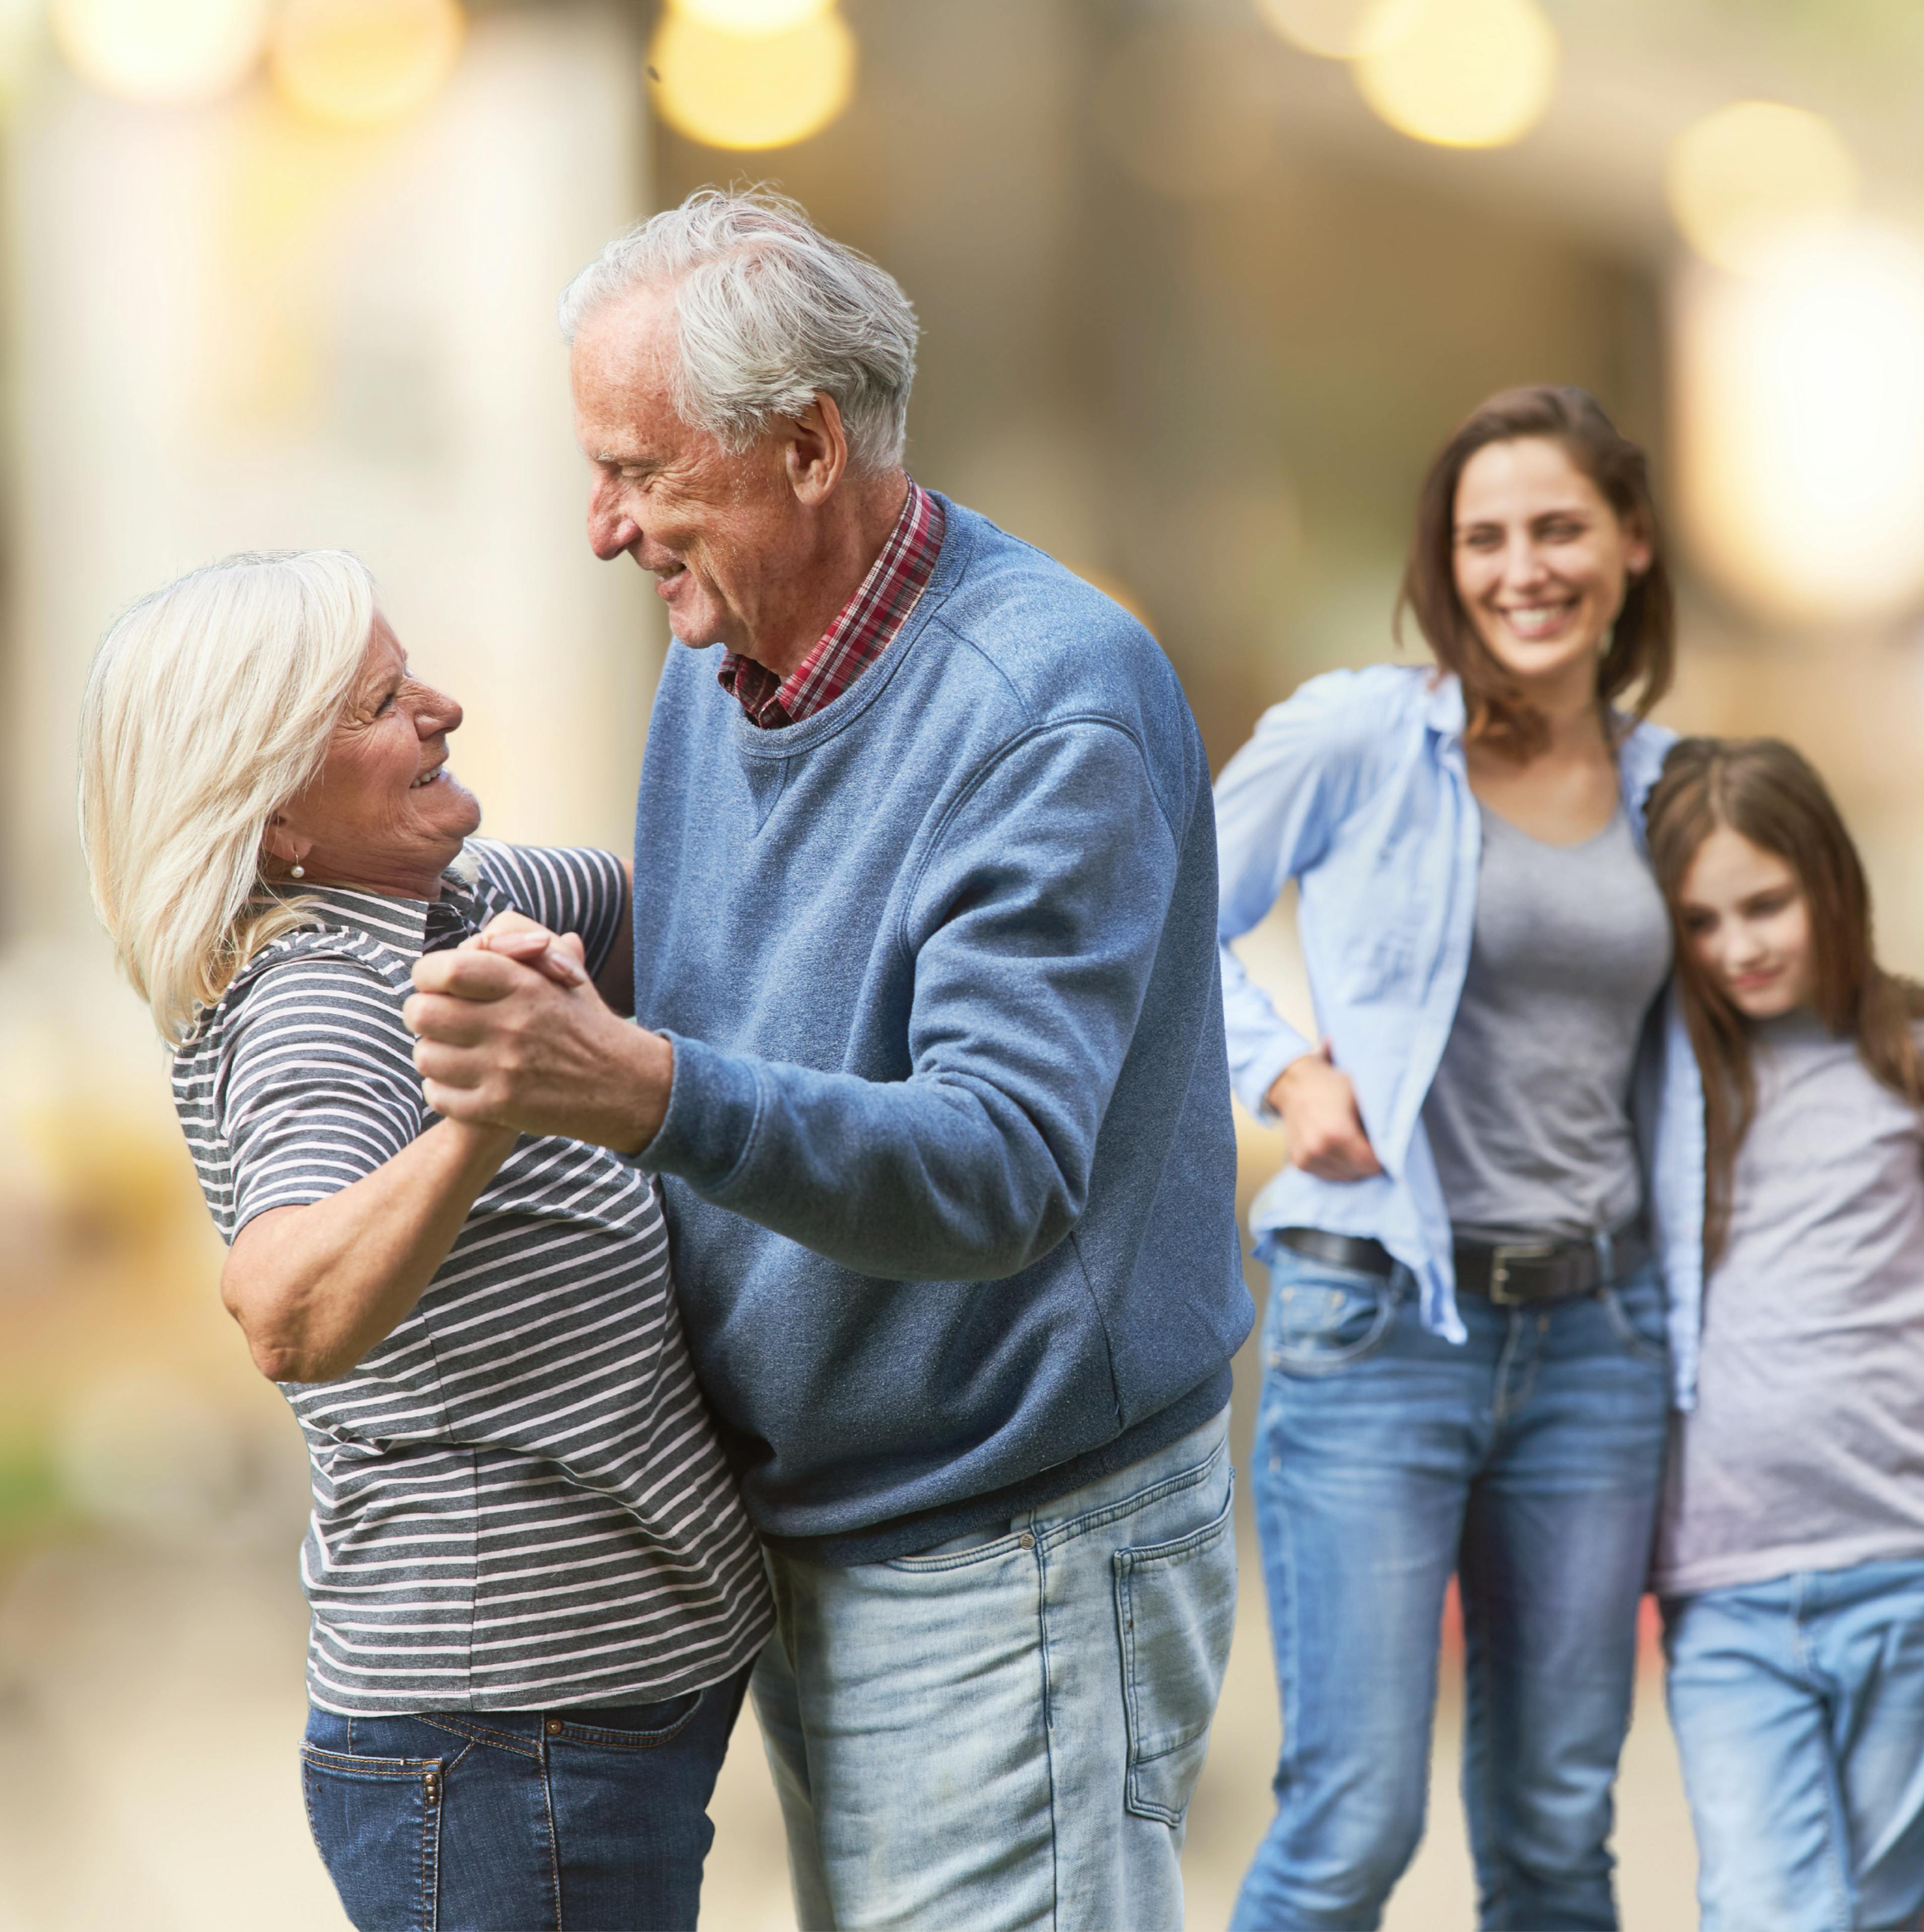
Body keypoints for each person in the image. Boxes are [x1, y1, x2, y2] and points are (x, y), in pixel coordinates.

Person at [402, 188, 1254, 1930]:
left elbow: (1001, 1163)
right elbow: (753, 950)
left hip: (1013, 1538)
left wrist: (634, 1084)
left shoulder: (1042, 710)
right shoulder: (728, 659)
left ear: (805, 444)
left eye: (640, 471)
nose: (601, 526)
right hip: (839, 1528)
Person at [76, 549, 772, 1932]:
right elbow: (283, 1308)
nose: (443, 707)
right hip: (504, 1748)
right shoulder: (317, 1002)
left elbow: (695, 913)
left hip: (582, 1722)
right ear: (273, 811)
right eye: (386, 700)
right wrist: (490, 1114)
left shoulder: (440, 904)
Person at [1215, 384, 1705, 1930]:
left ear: (1630, 542)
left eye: (1559, 529)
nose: (1522, 568)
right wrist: (1284, 1071)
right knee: (1354, 1825)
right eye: (1483, 538)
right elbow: (1153, 914)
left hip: (1599, 1345)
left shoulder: (1678, 790)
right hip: (1378, 1325)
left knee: (1559, 1831)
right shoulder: (1363, 734)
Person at [1645, 737, 1924, 1932]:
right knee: (1773, 1909)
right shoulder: (1664, 1088)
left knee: (1883, 1909)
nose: (1739, 947)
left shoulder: (1911, 1058)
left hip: (1907, 1569)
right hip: (1728, 1595)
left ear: (1830, 880)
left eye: (1765, 905)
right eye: (1701, 924)